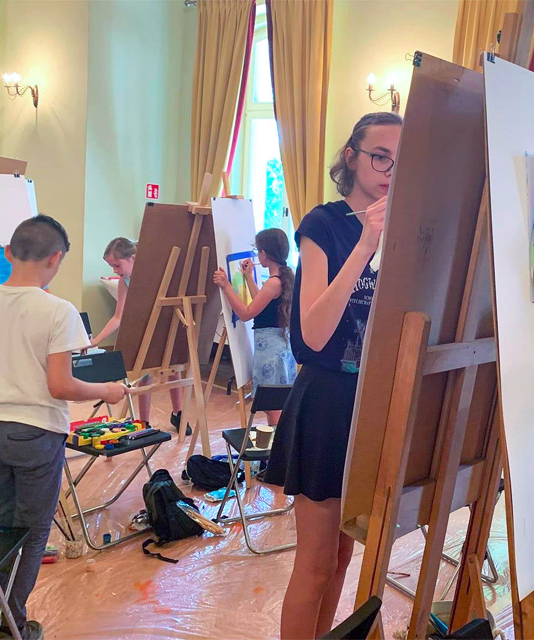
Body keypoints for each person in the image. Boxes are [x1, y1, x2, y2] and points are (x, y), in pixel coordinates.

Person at [0, 215, 128, 640]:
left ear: (8, 253)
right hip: (35, 433)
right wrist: (108, 390)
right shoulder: (58, 310)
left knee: (2, 521)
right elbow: (61, 385)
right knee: (33, 532)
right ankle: (8, 623)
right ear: (55, 258)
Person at [264, 111, 402, 639]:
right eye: (380, 157)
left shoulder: (405, 223)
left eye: (399, 160)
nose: (389, 170)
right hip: (327, 401)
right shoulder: (324, 224)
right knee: (317, 561)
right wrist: (366, 245)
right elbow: (314, 335)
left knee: (343, 558)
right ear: (352, 157)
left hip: (375, 403)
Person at [90, 237, 185, 433]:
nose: (115, 270)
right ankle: (144, 421)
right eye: (112, 266)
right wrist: (96, 340)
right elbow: (118, 317)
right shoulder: (125, 282)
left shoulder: (155, 274)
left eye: (117, 265)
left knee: (174, 370)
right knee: (145, 375)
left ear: (133, 258)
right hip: (144, 330)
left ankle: (178, 413)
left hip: (164, 326)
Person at [213, 227, 297, 425]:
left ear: (264, 254)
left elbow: (246, 313)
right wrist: (249, 277)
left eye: (258, 251)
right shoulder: (283, 277)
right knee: (275, 404)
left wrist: (226, 286)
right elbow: (262, 301)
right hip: (280, 348)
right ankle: (276, 440)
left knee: (272, 407)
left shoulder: (273, 283)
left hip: (272, 352)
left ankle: (275, 443)